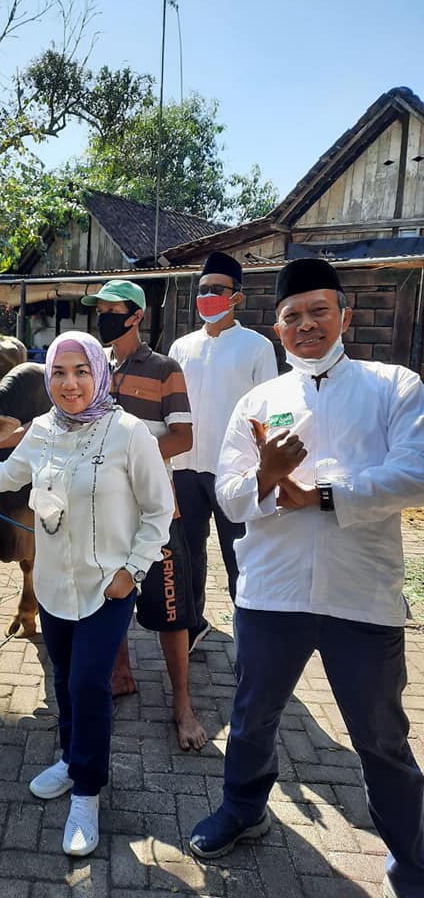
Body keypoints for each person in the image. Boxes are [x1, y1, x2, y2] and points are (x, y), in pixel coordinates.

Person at [188, 258, 424, 898]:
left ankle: (412, 857)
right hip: (272, 592)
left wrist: (316, 493)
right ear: (279, 327)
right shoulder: (261, 401)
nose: (306, 323)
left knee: (379, 735)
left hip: (362, 595)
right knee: (253, 714)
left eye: (319, 310)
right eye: (293, 315)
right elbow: (230, 497)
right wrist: (266, 478)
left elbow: (415, 473)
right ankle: (244, 808)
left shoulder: (392, 386)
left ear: (344, 314)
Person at [0, 331, 173, 857]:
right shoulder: (43, 431)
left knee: (90, 683)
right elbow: (7, 476)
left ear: (99, 372)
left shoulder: (129, 433)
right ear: (47, 377)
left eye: (80, 371)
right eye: (58, 373)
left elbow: (159, 510)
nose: (69, 383)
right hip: (53, 585)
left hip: (107, 588)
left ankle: (88, 792)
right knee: (64, 679)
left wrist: (134, 571)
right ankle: (70, 757)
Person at [81, 279, 206, 752]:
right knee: (111, 594)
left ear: (135, 316)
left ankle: (183, 704)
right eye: (100, 311)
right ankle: (122, 676)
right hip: (105, 509)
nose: (104, 318)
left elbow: (183, 438)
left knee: (170, 610)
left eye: (113, 310)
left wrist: (129, 456)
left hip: (156, 509)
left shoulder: (164, 369)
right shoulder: (97, 369)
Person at [168, 251, 277, 644]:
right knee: (189, 553)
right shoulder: (181, 347)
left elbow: (269, 411)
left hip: (234, 472)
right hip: (184, 468)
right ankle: (194, 625)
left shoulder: (256, 347)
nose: (208, 296)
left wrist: (264, 472)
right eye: (203, 290)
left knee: (240, 556)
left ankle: (248, 636)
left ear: (237, 298)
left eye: (218, 289)